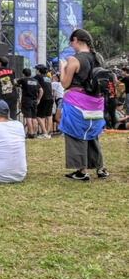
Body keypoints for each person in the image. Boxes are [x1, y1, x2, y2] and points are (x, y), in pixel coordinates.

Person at [59, 28, 109, 181]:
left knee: (75, 133)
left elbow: (65, 84)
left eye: (71, 42)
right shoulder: (98, 58)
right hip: (97, 102)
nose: (71, 45)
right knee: (92, 133)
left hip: (77, 102)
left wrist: (62, 68)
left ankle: (81, 171)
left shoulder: (74, 60)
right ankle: (100, 168)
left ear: (76, 40)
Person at [16, 68, 42, 138]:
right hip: (34, 101)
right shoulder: (35, 81)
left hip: (26, 101)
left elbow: (15, 83)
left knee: (28, 117)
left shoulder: (23, 79)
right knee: (34, 117)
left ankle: (31, 133)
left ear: (23, 74)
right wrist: (39, 99)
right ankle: (35, 132)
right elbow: (41, 90)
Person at [34, 65, 54, 139]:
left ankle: (45, 133)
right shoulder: (48, 77)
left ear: (39, 70)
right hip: (50, 98)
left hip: (43, 98)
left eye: (36, 69)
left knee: (39, 115)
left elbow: (31, 80)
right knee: (49, 115)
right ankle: (48, 133)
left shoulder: (38, 77)